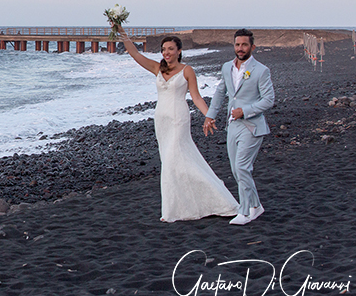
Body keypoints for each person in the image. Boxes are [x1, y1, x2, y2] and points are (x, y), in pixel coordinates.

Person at [116, 27, 239, 222]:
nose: (167, 52)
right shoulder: (158, 68)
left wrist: (209, 115)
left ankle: (217, 200)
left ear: (179, 51)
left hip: (178, 119)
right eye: (164, 49)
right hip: (161, 120)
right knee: (171, 162)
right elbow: (134, 54)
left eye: (171, 49)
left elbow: (196, 97)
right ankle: (179, 207)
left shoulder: (187, 70)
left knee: (175, 158)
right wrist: (120, 30)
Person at [203, 29, 274, 225]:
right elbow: (220, 93)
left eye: (244, 45)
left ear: (252, 47)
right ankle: (256, 206)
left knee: (243, 167)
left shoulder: (261, 70)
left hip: (252, 125)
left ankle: (243, 211)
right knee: (236, 170)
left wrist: (246, 110)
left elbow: (269, 100)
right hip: (232, 125)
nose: (240, 48)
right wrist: (210, 116)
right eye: (237, 44)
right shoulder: (227, 67)